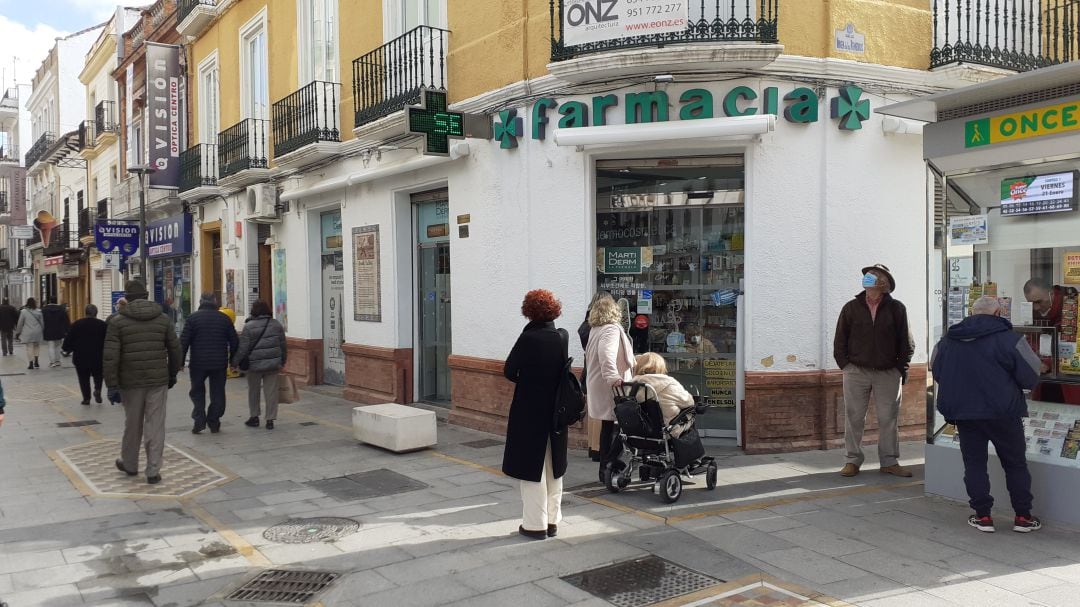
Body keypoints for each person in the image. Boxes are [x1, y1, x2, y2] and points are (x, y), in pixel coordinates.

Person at [932, 296, 1043, 533]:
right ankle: (1023, 517)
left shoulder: (948, 340)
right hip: (1004, 413)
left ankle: (983, 516)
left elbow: (938, 370)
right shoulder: (1012, 340)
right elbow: (1031, 375)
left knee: (974, 465)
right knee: (1015, 464)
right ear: (997, 314)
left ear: (972, 314)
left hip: (966, 415)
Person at [833, 263, 915, 478]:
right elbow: (840, 340)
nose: (867, 279)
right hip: (856, 371)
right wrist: (846, 366)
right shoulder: (851, 307)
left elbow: (907, 342)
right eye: (866, 277)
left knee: (888, 417)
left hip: (888, 373)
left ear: (884, 283)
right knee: (854, 417)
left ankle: (889, 461)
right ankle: (852, 460)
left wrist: (899, 369)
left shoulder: (897, 308)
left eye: (873, 276)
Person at [502, 289, 569, 540]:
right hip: (556, 411)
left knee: (533, 468)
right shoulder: (561, 336)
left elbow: (509, 370)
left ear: (528, 312)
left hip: (530, 409)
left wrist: (527, 380)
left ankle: (534, 525)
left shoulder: (528, 339)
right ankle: (553, 521)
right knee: (554, 466)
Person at [104, 280, 181, 484]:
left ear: (127, 298)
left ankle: (130, 463)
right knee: (155, 424)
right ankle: (153, 469)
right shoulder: (163, 319)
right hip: (158, 380)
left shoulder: (117, 322)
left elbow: (111, 356)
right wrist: (172, 374)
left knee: (132, 423)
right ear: (147, 296)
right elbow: (175, 349)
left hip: (130, 381)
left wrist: (112, 385)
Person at [584, 292, 635, 481]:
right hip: (611, 387)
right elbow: (606, 355)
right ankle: (612, 466)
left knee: (608, 427)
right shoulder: (611, 330)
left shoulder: (596, 329)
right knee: (620, 426)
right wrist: (614, 378)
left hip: (598, 383)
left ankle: (605, 470)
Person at [180, 293, 238, 434]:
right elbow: (235, 341)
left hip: (198, 363)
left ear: (200, 302)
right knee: (217, 392)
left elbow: (183, 342)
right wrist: (233, 361)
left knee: (197, 392)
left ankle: (199, 420)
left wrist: (180, 362)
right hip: (219, 363)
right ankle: (214, 420)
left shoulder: (192, 318)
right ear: (215, 301)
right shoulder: (224, 319)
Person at [232, 300, 287, 430]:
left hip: (254, 365)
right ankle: (270, 419)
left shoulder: (249, 326)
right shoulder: (276, 325)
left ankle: (254, 417)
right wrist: (283, 361)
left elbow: (243, 348)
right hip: (273, 364)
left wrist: (234, 362)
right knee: (271, 392)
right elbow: (283, 345)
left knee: (253, 391)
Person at [579, 291, 613, 462]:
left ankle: (595, 448)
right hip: (600, 375)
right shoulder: (600, 329)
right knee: (602, 414)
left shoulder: (587, 326)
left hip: (590, 373)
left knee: (594, 413)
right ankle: (599, 449)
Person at [631, 352, 696, 438]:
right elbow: (689, 402)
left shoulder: (631, 385)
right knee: (691, 414)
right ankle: (689, 449)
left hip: (637, 433)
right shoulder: (669, 383)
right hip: (666, 431)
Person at [62, 304, 108, 405]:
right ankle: (98, 389)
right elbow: (108, 341)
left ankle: (86, 398)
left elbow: (68, 340)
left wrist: (67, 348)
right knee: (98, 375)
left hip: (81, 357)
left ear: (85, 312)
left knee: (83, 378)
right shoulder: (103, 325)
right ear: (96, 313)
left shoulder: (77, 324)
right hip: (98, 356)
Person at [14, 298, 43, 370]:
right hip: (37, 331)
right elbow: (42, 323)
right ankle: (36, 361)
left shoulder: (24, 312)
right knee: (37, 346)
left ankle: (31, 363)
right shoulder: (39, 311)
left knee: (29, 347)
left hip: (28, 332)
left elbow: (20, 323)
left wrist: (18, 332)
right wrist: (42, 330)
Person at [41, 298, 70, 368]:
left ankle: (52, 362)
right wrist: (67, 330)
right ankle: (57, 361)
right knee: (58, 346)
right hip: (59, 330)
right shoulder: (61, 309)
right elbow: (66, 320)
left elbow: (41, 320)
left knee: (51, 347)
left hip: (48, 330)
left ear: (49, 301)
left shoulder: (44, 309)